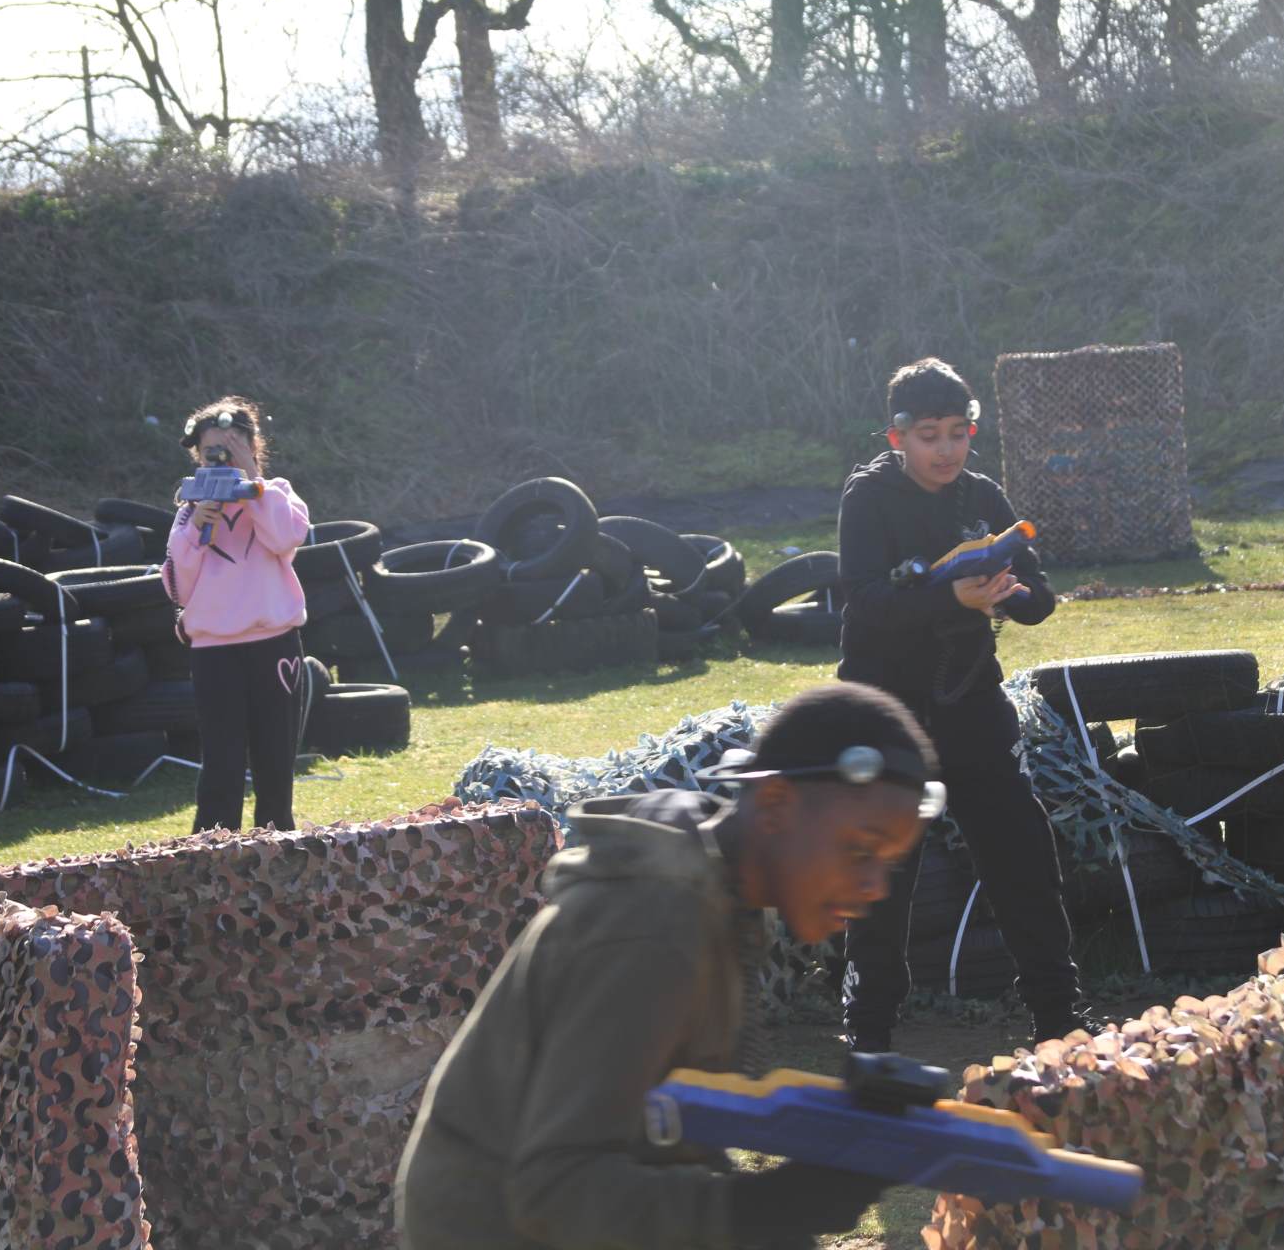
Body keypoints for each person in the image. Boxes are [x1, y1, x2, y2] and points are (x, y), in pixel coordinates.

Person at [395, 681, 941, 1250]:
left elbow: (672, 1133)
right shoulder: (652, 927)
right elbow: (557, 1194)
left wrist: (834, 1148)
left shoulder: (727, 898)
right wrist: (773, 1204)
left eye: (889, 863)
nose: (876, 886)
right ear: (776, 805)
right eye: (860, 850)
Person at [835, 357, 1079, 1053]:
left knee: (1023, 856)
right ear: (897, 438)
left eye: (958, 434)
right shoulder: (868, 498)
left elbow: (1041, 597)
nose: (946, 450)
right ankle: (869, 1037)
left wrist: (1011, 594)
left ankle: (1060, 1021)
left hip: (970, 700)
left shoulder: (983, 495)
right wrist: (951, 597)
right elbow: (865, 602)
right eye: (929, 436)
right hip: (885, 711)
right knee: (883, 874)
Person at [161, 397, 311, 832]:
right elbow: (177, 587)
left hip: (274, 645)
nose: (221, 459)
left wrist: (253, 483)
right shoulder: (189, 511)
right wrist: (195, 529)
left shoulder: (277, 494)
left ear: (251, 446)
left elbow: (285, 538)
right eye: (212, 452)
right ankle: (211, 856)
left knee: (275, 762)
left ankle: (278, 853)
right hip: (214, 652)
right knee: (221, 764)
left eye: (231, 449)